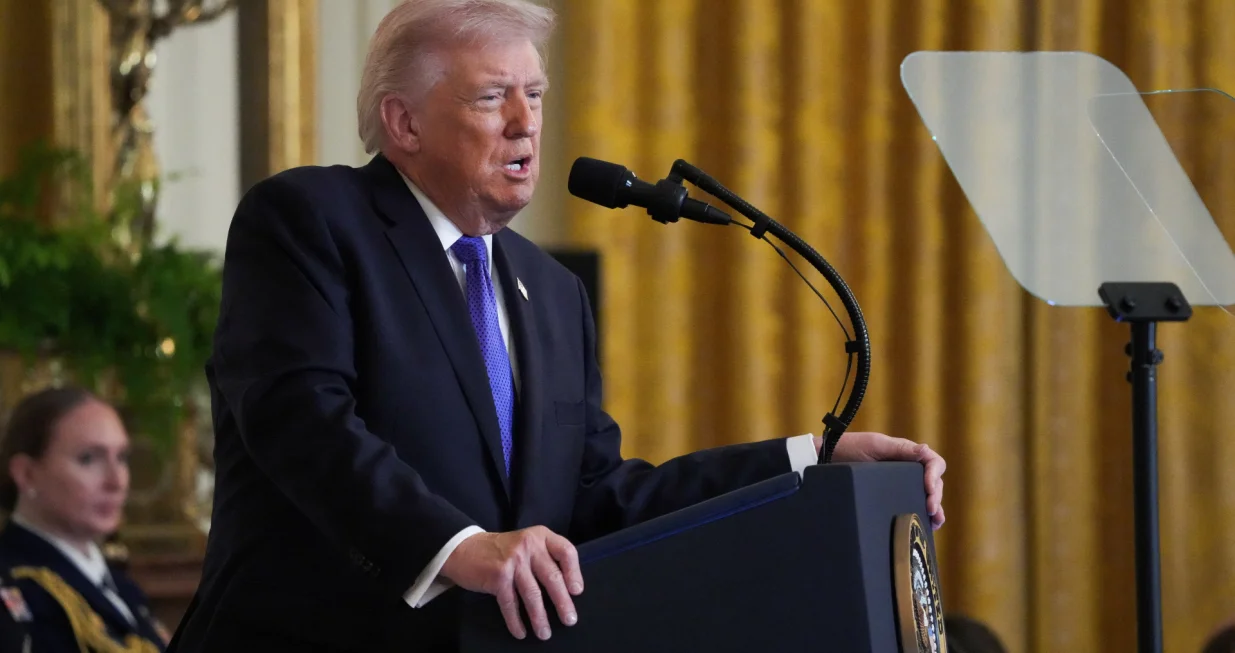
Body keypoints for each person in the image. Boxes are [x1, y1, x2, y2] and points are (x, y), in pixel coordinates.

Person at [167, 1, 947, 651]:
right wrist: (459, 546)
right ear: (402, 123)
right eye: (490, 97)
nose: (524, 124)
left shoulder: (551, 290)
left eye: (534, 96)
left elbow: (599, 498)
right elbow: (301, 422)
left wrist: (812, 458)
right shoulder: (312, 219)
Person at [0, 386, 168, 652]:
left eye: (122, 457)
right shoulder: (14, 585)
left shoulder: (122, 588)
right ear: (27, 474)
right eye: (89, 458)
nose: (116, 481)